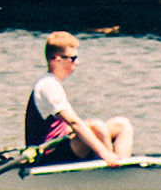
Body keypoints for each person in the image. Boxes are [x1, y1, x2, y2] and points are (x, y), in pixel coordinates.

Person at [26, 31, 134, 166]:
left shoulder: (53, 83)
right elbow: (74, 122)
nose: (77, 62)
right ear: (57, 59)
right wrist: (104, 153)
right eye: (73, 58)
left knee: (122, 124)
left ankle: (122, 167)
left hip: (63, 144)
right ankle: (109, 163)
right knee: (96, 126)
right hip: (46, 154)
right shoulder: (48, 85)